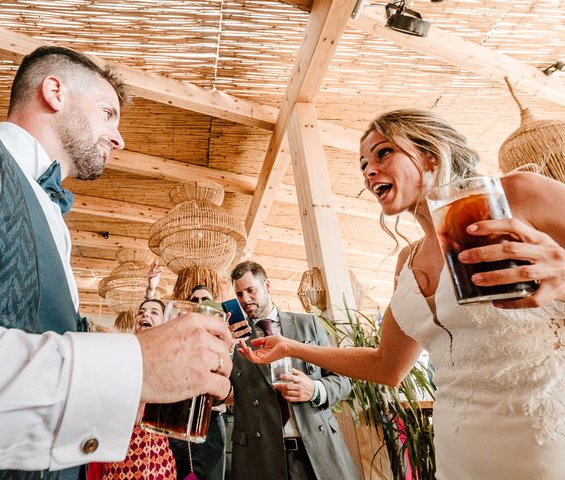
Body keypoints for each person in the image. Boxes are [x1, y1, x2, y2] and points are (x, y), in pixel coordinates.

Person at [0, 46, 232, 480]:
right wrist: (131, 367)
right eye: (108, 113)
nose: (119, 138)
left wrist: (139, 389)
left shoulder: (57, 228)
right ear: (54, 91)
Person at [239, 109, 565, 479]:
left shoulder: (518, 193)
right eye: (363, 164)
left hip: (541, 440)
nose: (368, 171)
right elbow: (387, 366)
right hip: (458, 448)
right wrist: (291, 347)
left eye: (382, 153)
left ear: (429, 154)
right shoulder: (407, 261)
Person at [229, 261, 359, 480]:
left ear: (267, 285)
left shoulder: (308, 324)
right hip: (262, 458)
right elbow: (222, 391)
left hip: (320, 449)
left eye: (251, 290)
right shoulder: (235, 340)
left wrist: (316, 389)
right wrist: (224, 346)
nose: (245, 300)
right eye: (239, 294)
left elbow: (342, 379)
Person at [89, 299, 177, 480]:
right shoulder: (122, 354)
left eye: (154, 312)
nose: (145, 314)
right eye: (142, 311)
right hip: (116, 452)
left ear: (164, 323)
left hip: (155, 456)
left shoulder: (170, 360)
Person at [169, 285, 228, 480]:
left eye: (206, 300)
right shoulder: (178, 339)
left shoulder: (224, 341)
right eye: (195, 301)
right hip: (178, 419)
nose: (200, 304)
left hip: (210, 423)